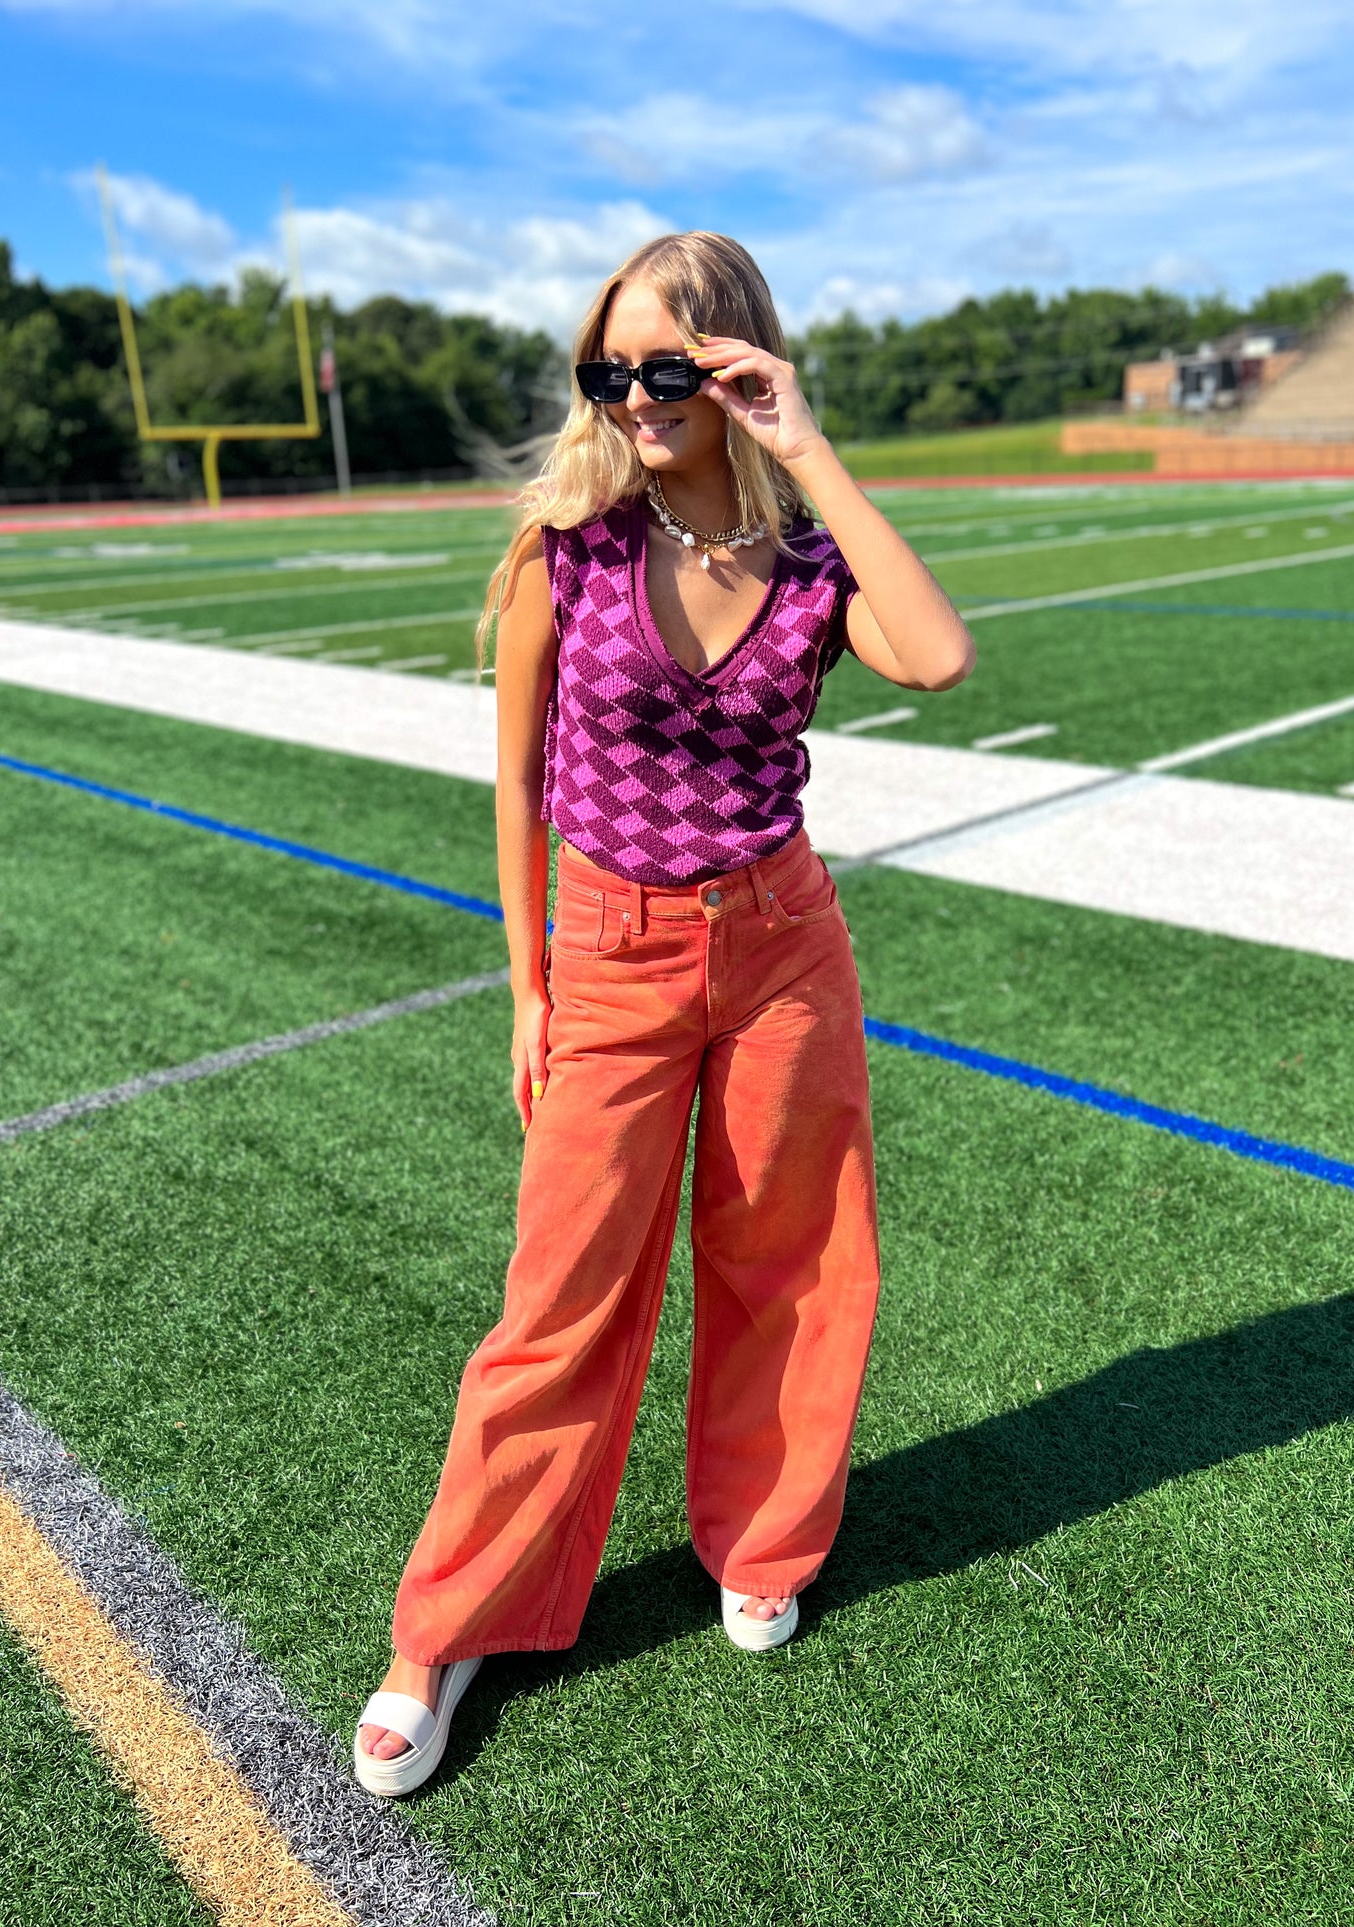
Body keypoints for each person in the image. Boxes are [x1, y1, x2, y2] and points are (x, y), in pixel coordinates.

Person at [354, 231, 974, 1796]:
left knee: (793, 1260)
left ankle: (762, 1540)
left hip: (781, 943)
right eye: (607, 367)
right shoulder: (563, 548)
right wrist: (527, 988)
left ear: (738, 364)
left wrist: (804, 444)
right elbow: (513, 781)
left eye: (665, 366)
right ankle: (447, 1625)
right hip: (609, 945)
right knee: (557, 1295)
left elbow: (938, 658)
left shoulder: (812, 560)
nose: (631, 394)